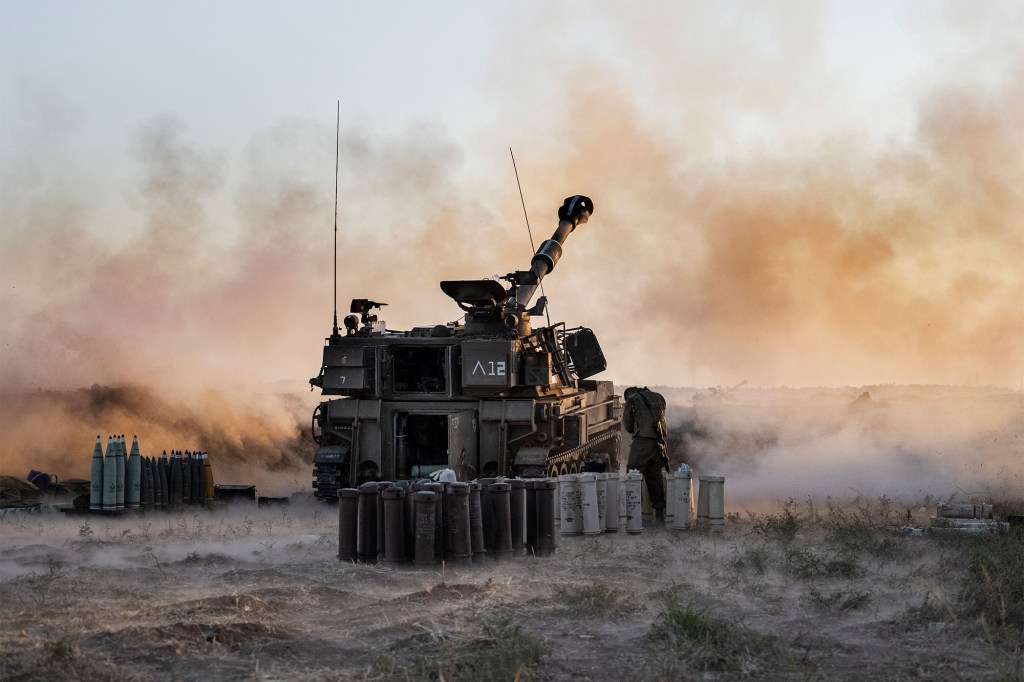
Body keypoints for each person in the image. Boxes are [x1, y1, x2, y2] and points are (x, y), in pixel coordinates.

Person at [623, 386, 669, 524]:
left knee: (632, 475)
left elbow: (627, 424)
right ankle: (660, 515)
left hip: (642, 442)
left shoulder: (633, 399)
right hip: (659, 443)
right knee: (655, 478)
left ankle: (635, 515)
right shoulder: (659, 396)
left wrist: (636, 430)